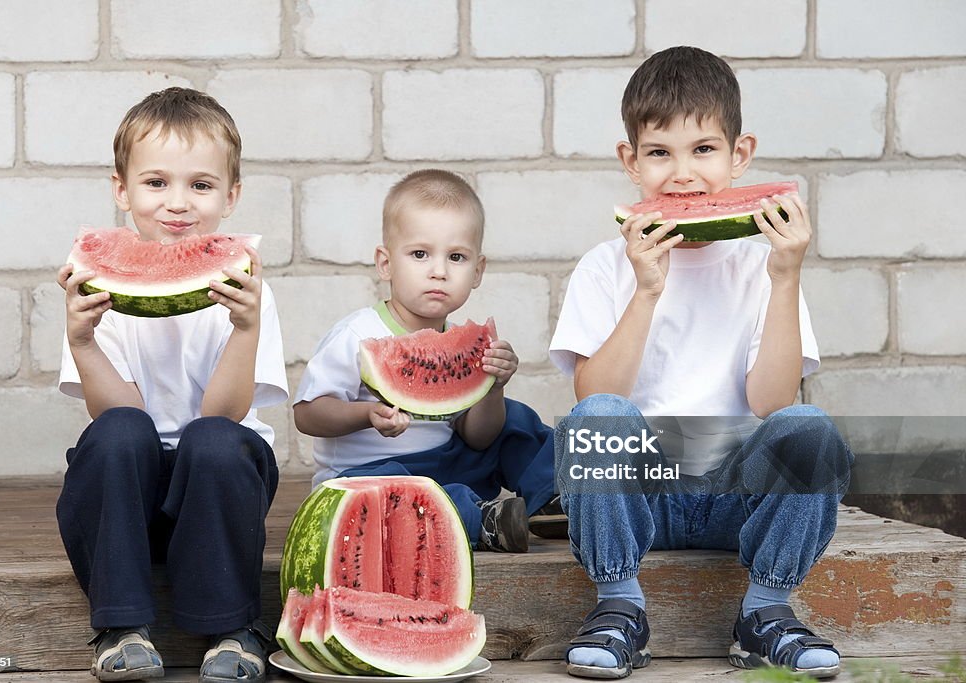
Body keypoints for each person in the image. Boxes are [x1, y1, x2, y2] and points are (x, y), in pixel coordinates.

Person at [549, 47, 853, 679]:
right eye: (659, 152)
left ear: (740, 155)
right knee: (597, 416)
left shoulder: (760, 268)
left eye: (704, 150)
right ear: (630, 161)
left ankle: (765, 612)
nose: (682, 174)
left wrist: (787, 276)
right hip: (639, 500)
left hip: (734, 498)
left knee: (811, 429)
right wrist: (647, 290)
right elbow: (594, 394)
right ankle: (618, 606)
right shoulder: (605, 267)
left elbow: (772, 402)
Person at [56, 87, 288, 683]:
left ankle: (234, 626)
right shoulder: (96, 289)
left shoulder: (246, 293)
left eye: (201, 186)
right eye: (156, 183)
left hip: (219, 489)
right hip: (126, 498)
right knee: (116, 433)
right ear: (121, 190)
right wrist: (82, 341)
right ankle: (121, 627)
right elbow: (115, 417)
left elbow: (226, 411)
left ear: (231, 196)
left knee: (211, 439)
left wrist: (245, 327)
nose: (177, 204)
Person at [292, 169, 565, 553]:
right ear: (385, 264)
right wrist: (365, 415)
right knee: (394, 493)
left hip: (447, 463)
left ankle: (558, 496)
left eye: (456, 257)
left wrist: (493, 387)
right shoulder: (358, 334)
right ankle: (482, 521)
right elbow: (307, 415)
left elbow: (478, 436)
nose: (439, 270)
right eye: (420, 254)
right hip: (366, 476)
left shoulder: (463, 346)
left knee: (514, 418)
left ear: (477, 272)